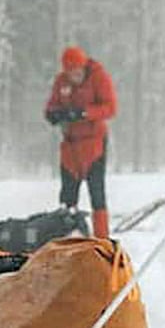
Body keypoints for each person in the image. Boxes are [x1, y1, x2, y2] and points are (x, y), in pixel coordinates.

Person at [44, 45, 117, 239]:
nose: (73, 76)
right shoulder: (61, 82)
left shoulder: (99, 77)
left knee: (96, 192)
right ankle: (66, 234)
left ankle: (102, 239)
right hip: (70, 146)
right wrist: (53, 114)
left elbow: (110, 108)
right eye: (69, 73)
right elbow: (52, 104)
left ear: (83, 68)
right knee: (67, 194)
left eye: (76, 72)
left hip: (94, 143)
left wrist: (84, 113)